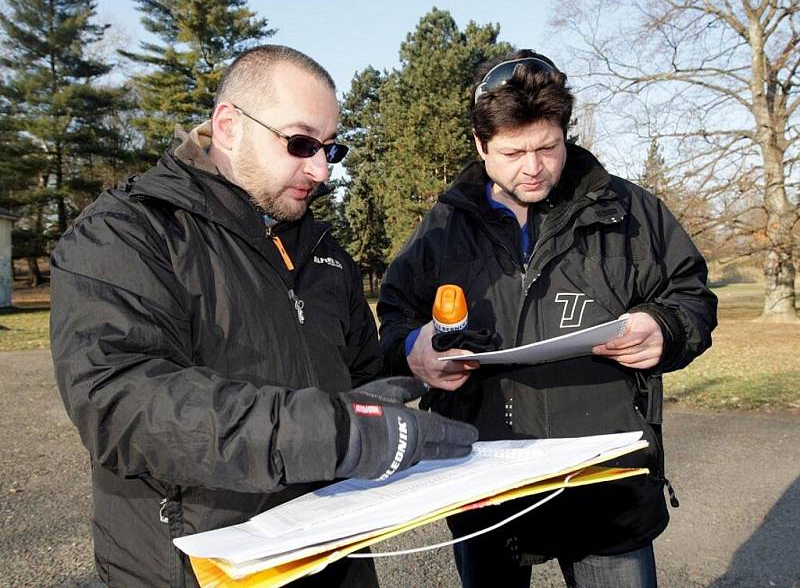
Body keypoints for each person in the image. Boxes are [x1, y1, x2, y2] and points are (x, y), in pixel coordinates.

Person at [49, 45, 478, 588]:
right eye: (300, 143)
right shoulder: (125, 233)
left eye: (330, 149)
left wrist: (412, 369)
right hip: (198, 569)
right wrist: (336, 435)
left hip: (332, 556)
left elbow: (359, 379)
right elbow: (119, 402)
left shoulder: (323, 251)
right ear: (228, 126)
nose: (321, 170)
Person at [378, 50, 717, 588]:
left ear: (566, 135)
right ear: (480, 145)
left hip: (608, 484)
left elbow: (692, 298)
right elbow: (395, 318)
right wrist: (415, 349)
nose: (534, 167)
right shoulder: (441, 229)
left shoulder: (632, 212)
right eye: (513, 152)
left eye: (548, 147)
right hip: (484, 484)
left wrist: (664, 330)